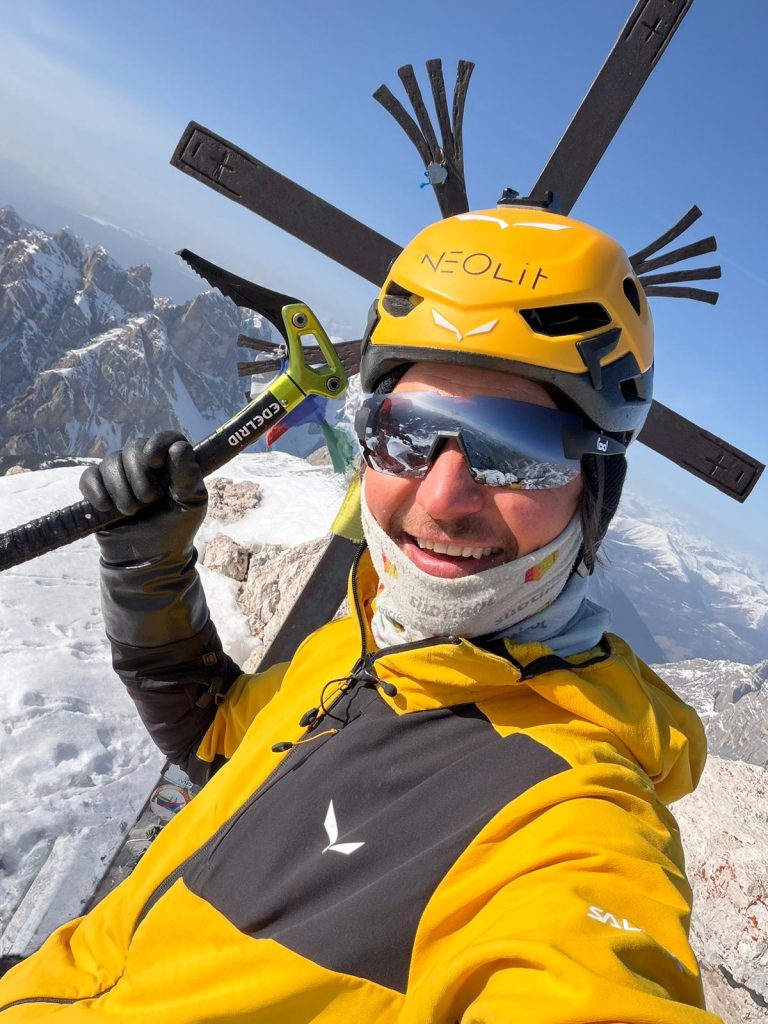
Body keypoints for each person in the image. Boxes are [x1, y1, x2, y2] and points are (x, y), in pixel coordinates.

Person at [0, 204, 722, 1023]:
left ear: (595, 494)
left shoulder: (569, 816)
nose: (444, 499)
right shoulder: (370, 642)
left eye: (516, 448)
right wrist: (146, 575)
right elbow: (220, 743)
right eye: (406, 433)